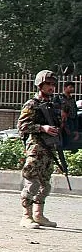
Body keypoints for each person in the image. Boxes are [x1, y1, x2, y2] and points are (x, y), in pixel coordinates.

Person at [18, 70, 61, 229]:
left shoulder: (53, 105)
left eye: (53, 84)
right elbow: (22, 126)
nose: (51, 87)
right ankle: (26, 216)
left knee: (45, 184)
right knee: (32, 182)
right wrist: (42, 128)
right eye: (48, 84)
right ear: (40, 85)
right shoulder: (32, 104)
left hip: (49, 149)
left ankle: (38, 214)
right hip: (36, 148)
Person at [52, 81, 77, 149]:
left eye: (73, 87)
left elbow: (75, 112)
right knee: (60, 142)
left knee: (69, 142)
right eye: (70, 87)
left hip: (70, 123)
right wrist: (61, 112)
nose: (72, 89)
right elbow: (53, 109)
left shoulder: (72, 100)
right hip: (61, 123)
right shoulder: (58, 98)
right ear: (65, 88)